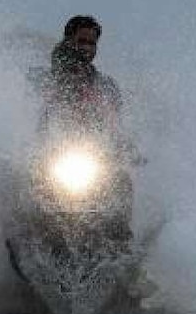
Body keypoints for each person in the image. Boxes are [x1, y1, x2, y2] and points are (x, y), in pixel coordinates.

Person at [34, 14, 135, 242]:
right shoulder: (48, 79)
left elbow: (114, 123)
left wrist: (126, 146)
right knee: (30, 184)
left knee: (122, 181)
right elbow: (34, 113)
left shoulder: (105, 86)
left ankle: (118, 243)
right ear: (69, 41)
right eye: (82, 41)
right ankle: (29, 237)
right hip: (50, 155)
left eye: (92, 43)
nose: (87, 48)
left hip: (91, 157)